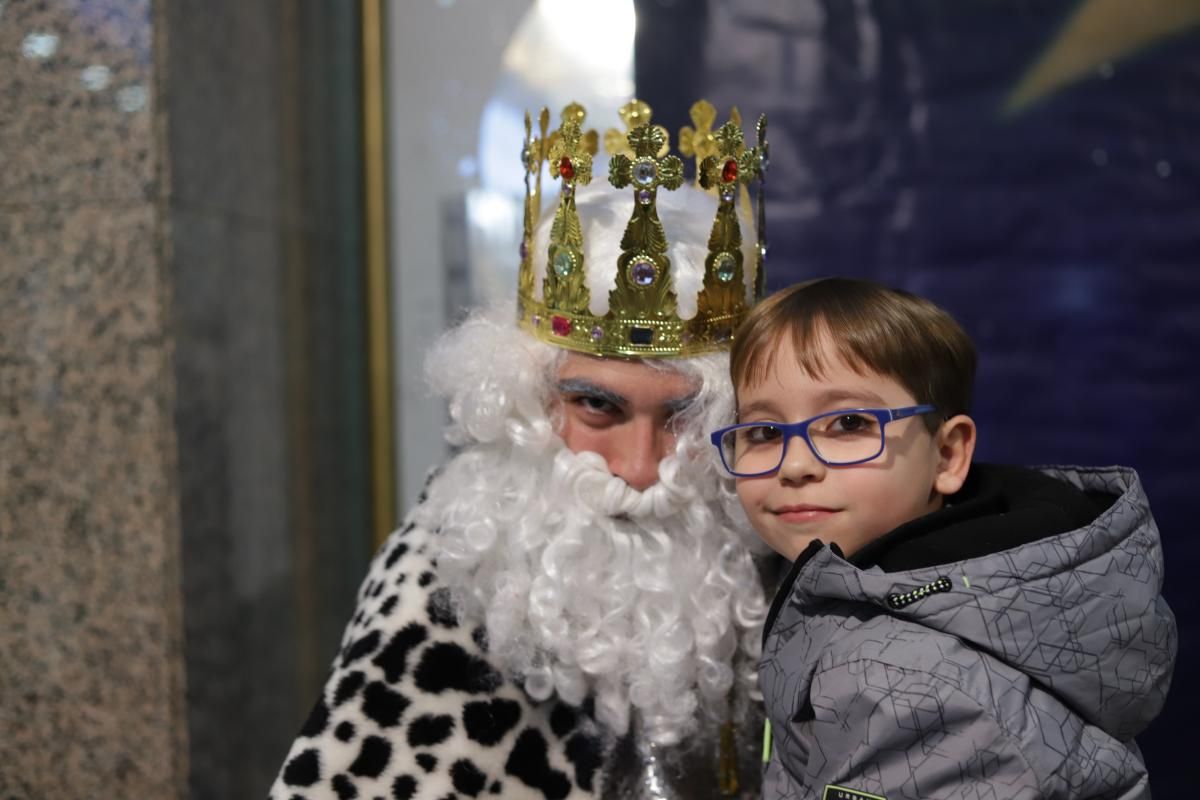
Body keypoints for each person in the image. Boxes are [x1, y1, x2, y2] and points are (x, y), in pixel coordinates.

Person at [268, 101, 776, 799]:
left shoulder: (778, 552)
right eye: (597, 405)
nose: (638, 468)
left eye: (684, 415)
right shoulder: (445, 579)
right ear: (526, 399)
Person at [710, 277, 1177, 800]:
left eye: (847, 423)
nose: (794, 465)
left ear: (949, 455)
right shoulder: (850, 588)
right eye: (764, 432)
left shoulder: (896, 683)